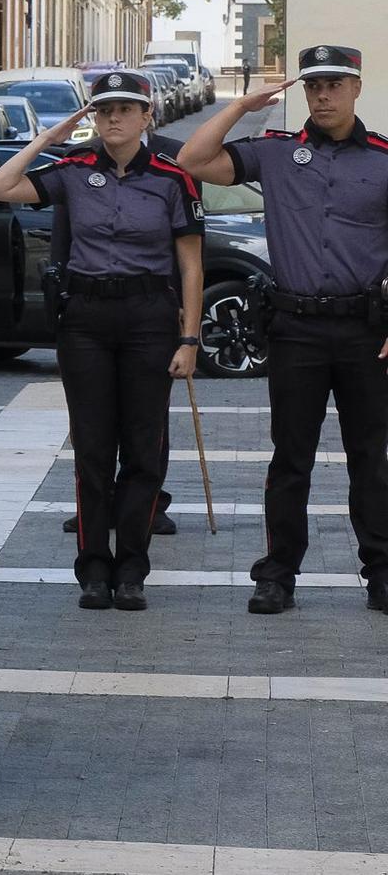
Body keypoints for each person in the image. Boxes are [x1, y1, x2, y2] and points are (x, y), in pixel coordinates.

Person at [178, 45, 388, 616]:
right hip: (295, 327)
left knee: (373, 456)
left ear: (356, 88)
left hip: (364, 331)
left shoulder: (384, 160)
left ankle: (382, 571)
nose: (322, 95)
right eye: (313, 85)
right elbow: (195, 160)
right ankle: (277, 575)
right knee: (289, 458)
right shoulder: (275, 154)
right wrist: (243, 106)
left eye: (334, 85)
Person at [0, 70, 203, 612]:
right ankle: (93, 569)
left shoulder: (173, 180)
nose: (112, 119)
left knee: (143, 449)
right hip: (86, 317)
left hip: (149, 317)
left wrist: (190, 338)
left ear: (146, 116)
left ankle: (131, 567)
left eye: (125, 109)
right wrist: (48, 139)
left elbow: (192, 266)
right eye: (103, 110)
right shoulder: (74, 171)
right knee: (91, 448)